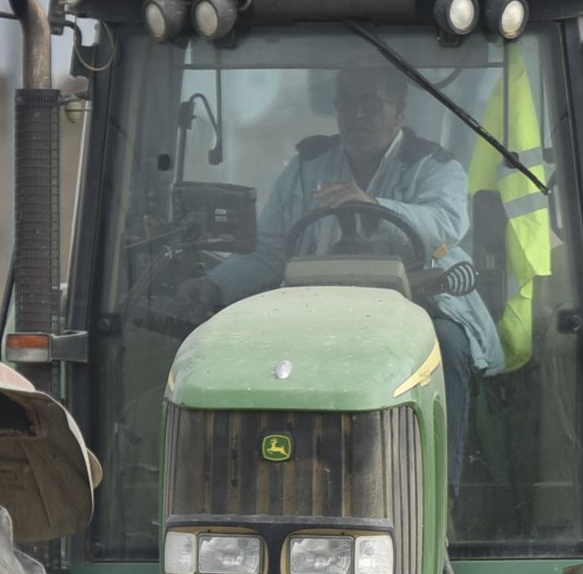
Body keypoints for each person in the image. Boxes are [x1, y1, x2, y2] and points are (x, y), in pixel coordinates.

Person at [216, 59, 505, 397]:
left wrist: (374, 208)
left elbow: (444, 225)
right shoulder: (304, 169)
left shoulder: (435, 167)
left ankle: (448, 451)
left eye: (370, 103)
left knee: (448, 344)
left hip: (419, 306)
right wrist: (215, 285)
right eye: (347, 103)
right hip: (315, 309)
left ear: (398, 112)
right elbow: (268, 252)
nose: (357, 115)